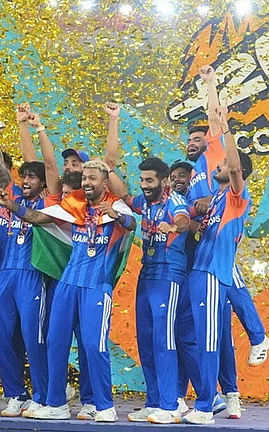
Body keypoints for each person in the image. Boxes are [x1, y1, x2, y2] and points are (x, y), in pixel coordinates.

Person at [0, 159, 136, 422]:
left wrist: (119, 215)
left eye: (92, 178)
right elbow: (38, 218)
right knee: (56, 342)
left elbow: (132, 224)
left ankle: (103, 405)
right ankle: (56, 403)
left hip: (95, 286)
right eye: (85, 178)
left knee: (94, 346)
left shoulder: (114, 205)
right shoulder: (75, 204)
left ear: (104, 182)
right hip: (67, 284)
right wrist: (12, 206)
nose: (87, 183)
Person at [182, 102, 254, 425]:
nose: (194, 142)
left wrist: (223, 126)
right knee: (203, 334)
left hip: (215, 271)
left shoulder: (232, 183)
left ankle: (219, 396)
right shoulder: (212, 192)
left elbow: (235, 168)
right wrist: (189, 217)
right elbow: (203, 224)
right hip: (200, 268)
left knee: (216, 336)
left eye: (201, 137)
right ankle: (210, 398)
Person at [107, 155, 193, 424]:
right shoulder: (145, 203)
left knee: (163, 340)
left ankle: (171, 405)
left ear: (164, 181)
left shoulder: (174, 201)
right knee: (145, 339)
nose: (144, 184)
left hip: (169, 274)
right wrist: (106, 168)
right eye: (142, 179)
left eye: (149, 180)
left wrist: (173, 227)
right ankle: (154, 401)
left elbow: (184, 221)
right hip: (147, 274)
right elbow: (122, 193)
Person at [0, 106, 62, 418]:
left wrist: (39, 128)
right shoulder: (14, 194)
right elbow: (28, 160)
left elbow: (45, 163)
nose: (27, 180)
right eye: (24, 177)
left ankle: (43, 395)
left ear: (42, 181)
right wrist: (20, 126)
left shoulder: (51, 199)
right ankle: (16, 393)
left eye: (33, 177)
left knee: (35, 337)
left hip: (33, 274)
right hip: (6, 272)